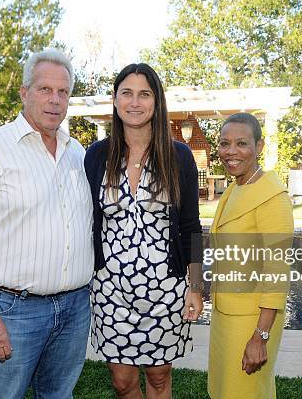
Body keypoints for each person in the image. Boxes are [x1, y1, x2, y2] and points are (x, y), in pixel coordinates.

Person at [0, 49, 93, 399]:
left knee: (58, 395)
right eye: (45, 89)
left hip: (74, 308)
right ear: (24, 93)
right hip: (11, 310)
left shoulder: (78, 153)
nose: (55, 100)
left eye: (62, 92)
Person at [84, 63, 203, 399]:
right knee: (122, 383)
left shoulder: (178, 156)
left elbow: (192, 228)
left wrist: (195, 288)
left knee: (160, 378)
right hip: (110, 290)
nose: (135, 102)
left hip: (167, 290)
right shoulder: (96, 156)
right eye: (127, 93)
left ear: (156, 101)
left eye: (144, 94)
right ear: (116, 99)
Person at [207, 113, 294, 398]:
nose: (231, 152)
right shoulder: (235, 187)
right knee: (226, 390)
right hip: (226, 315)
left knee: (244, 392)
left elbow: (277, 272)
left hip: (252, 320)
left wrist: (261, 335)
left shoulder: (272, 197)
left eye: (242, 143)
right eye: (224, 143)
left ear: (260, 147)